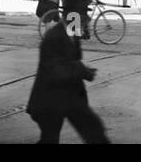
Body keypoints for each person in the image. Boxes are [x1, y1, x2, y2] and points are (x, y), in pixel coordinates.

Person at [26, 8, 109, 144]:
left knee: (94, 132)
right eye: (81, 18)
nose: (85, 21)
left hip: (71, 96)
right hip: (50, 99)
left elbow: (74, 58)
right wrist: (83, 69)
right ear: (71, 17)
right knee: (50, 139)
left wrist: (84, 69)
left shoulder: (72, 30)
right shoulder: (53, 37)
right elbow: (56, 70)